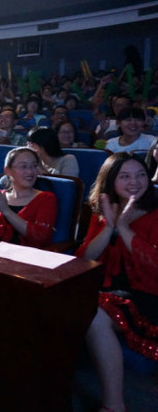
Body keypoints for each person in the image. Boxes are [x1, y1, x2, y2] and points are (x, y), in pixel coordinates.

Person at [76, 153, 158, 412]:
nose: (135, 182)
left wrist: (124, 227)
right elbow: (85, 259)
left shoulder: (155, 214)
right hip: (108, 290)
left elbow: (154, 266)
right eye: (125, 176)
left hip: (148, 296)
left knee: (96, 312)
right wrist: (109, 227)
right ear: (110, 180)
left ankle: (114, 405)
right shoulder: (103, 211)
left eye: (141, 175)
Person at [0, 147, 57, 249]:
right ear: (8, 171)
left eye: (34, 166)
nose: (30, 171)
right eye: (23, 166)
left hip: (28, 254)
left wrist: (6, 210)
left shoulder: (46, 198)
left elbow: (40, 237)